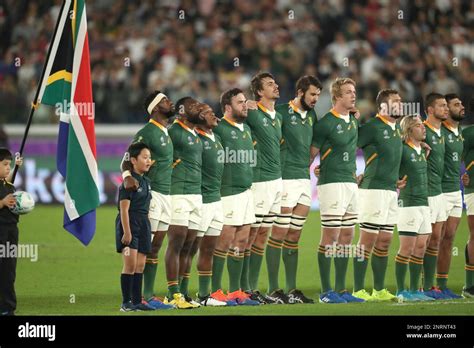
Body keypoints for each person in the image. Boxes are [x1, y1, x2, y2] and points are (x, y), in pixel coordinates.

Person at [264, 75, 322, 304]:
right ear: (300, 92)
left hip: (303, 180)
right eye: (312, 94)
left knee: (294, 235)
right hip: (285, 179)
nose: (316, 99)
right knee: (278, 234)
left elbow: (312, 147)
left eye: (318, 95)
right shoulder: (280, 111)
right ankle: (272, 288)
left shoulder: (312, 115)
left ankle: (291, 289)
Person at [121, 90, 175, 310]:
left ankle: (148, 295)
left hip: (167, 194)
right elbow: (127, 158)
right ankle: (140, 297)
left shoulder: (165, 131)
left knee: (155, 247)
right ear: (154, 108)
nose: (169, 102)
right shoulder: (147, 132)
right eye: (164, 100)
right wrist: (126, 177)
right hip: (152, 195)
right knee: (145, 247)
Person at [352, 89, 404, 302]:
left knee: (384, 241)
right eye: (396, 101)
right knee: (366, 241)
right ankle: (357, 289)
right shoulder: (372, 127)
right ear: (383, 105)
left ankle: (379, 290)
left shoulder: (396, 129)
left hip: (391, 191)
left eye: (401, 101)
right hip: (372, 190)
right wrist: (350, 173)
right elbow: (347, 144)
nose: (400, 104)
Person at [312, 77, 359, 304]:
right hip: (331, 184)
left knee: (347, 236)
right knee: (330, 236)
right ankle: (326, 291)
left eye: (354, 91)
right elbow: (310, 155)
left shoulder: (353, 121)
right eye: (349, 92)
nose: (353, 95)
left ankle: (341, 289)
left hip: (351, 183)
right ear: (337, 97)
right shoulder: (324, 123)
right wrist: (319, 170)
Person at [211, 88, 259, 306]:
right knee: (224, 241)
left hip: (247, 191)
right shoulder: (219, 128)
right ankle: (215, 291)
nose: (245, 105)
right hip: (228, 192)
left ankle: (236, 290)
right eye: (240, 102)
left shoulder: (247, 129)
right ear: (228, 107)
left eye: (245, 101)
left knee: (242, 240)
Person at [182, 103, 228, 306]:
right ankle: (180, 294)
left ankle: (203, 295)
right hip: (201, 200)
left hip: (216, 200)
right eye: (209, 113)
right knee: (189, 250)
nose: (214, 115)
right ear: (200, 118)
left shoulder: (216, 138)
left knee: (208, 249)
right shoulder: (196, 138)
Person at [244, 72, 283, 304]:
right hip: (259, 181)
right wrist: (246, 107)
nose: (276, 86)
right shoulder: (251, 111)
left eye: (275, 82)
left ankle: (253, 288)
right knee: (250, 235)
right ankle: (243, 287)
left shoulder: (277, 116)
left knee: (262, 237)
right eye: (270, 84)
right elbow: (227, 119)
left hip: (276, 181)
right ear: (259, 92)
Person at [163, 97, 204, 309]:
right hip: (178, 193)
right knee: (177, 243)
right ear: (182, 111)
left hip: (196, 195)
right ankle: (172, 294)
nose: (198, 108)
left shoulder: (195, 134)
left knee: (190, 246)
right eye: (193, 106)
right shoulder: (173, 131)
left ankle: (184, 293)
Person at [395, 115, 435, 302]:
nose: (423, 128)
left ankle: (414, 290)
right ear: (409, 130)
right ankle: (401, 290)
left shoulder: (422, 150)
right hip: (408, 203)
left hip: (423, 203)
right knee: (407, 248)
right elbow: (388, 166)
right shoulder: (401, 149)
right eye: (419, 125)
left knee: (420, 248)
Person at [116, 143, 156, 312]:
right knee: (130, 265)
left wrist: (148, 229)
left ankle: (137, 301)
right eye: (144, 158)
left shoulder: (146, 181)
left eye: (149, 158)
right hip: (129, 223)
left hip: (143, 224)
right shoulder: (128, 183)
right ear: (133, 160)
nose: (148, 161)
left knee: (140, 265)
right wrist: (126, 232)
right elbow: (124, 209)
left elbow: (146, 208)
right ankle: (126, 303)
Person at [434, 93, 465, 299]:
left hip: (455, 190)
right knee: (433, 239)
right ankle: (426, 285)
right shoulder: (438, 131)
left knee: (449, 238)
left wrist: (465, 174)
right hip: (440, 191)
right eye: (455, 104)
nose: (459, 106)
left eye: (459, 103)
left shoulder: (459, 131)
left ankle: (443, 285)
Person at [421, 93, 450, 299]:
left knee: (437, 239)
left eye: (446, 105)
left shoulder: (441, 132)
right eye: (442, 106)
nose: (446, 109)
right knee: (425, 239)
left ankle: (431, 286)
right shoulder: (421, 130)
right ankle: (420, 285)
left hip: (440, 192)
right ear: (430, 110)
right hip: (426, 193)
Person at [0, 148, 23, 316]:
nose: (8, 167)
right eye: (5, 164)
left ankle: (8, 308)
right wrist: (2, 202)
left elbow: (9, 183)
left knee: (9, 270)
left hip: (11, 232)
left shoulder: (8, 185)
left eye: (9, 164)